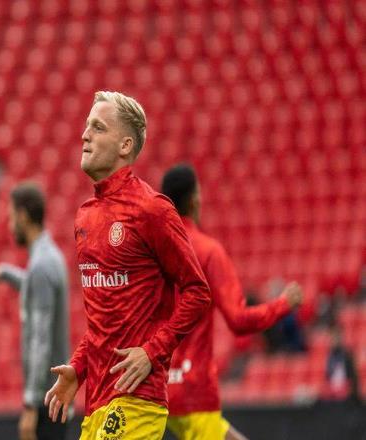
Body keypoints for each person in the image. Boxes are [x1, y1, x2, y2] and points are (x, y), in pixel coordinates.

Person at [44, 91, 212, 439]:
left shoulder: (152, 210)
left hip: (138, 398)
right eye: (86, 126)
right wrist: (79, 368)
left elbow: (198, 292)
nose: (84, 135)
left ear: (125, 145)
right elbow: (106, 319)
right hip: (97, 402)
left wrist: (152, 352)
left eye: (97, 127)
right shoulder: (85, 216)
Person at [160, 164, 303, 440]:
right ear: (194, 200)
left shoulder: (150, 250)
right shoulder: (208, 251)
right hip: (192, 388)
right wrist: (283, 304)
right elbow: (238, 320)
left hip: (152, 386)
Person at [0, 182, 69, 440]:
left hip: (46, 402)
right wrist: (3, 273)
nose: (9, 226)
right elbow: (33, 284)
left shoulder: (41, 265)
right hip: (53, 397)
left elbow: (40, 341)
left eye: (11, 217)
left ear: (23, 216)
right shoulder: (48, 256)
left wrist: (30, 404)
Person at [322, 324, 360, 403]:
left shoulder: (347, 355)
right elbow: (327, 378)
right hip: (332, 395)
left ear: (341, 338)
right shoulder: (329, 357)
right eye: (332, 338)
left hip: (346, 396)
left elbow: (354, 379)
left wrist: (348, 390)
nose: (334, 340)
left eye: (336, 337)